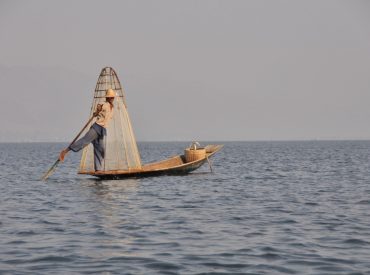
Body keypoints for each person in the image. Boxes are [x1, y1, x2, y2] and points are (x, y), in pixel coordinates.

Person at [59, 88, 115, 171]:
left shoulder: (112, 107)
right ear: (107, 98)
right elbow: (97, 111)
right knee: (84, 141)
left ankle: (98, 169)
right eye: (110, 97)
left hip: (102, 129)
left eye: (112, 97)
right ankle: (65, 151)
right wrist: (97, 111)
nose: (111, 98)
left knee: (100, 149)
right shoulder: (103, 104)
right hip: (97, 127)